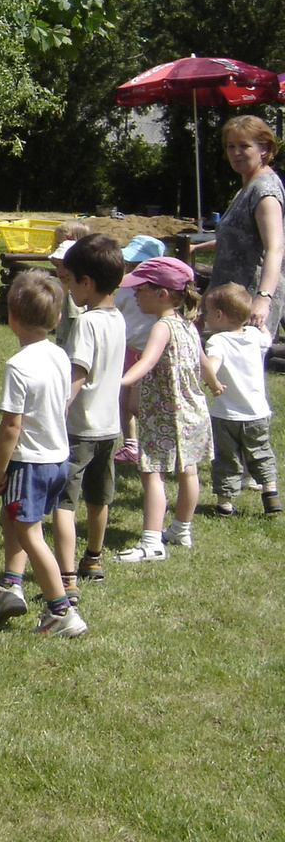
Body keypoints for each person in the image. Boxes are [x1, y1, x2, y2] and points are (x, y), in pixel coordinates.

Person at [0, 271, 88, 638]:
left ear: (11, 318)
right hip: (57, 459)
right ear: (56, 320)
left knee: (31, 534)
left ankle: (60, 611)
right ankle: (10, 586)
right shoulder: (58, 354)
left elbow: (10, 428)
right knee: (15, 519)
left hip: (29, 463)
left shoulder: (18, 366)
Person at [116, 257, 216, 563]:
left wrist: (117, 382)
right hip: (193, 412)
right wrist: (214, 384)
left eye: (140, 289)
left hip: (163, 414)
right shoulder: (189, 326)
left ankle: (151, 543)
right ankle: (181, 530)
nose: (134, 295)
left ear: (161, 294)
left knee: (152, 473)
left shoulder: (161, 328)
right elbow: (203, 362)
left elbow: (144, 364)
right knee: (189, 471)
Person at [53, 234, 126, 596]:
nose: (68, 288)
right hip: (109, 429)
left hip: (79, 429)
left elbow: (76, 376)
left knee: (64, 503)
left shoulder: (85, 323)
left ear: (86, 283)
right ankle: (93, 560)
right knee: (100, 497)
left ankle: (67, 579)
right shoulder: (118, 319)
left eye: (70, 280)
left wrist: (55, 411)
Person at [199, 114, 284, 343]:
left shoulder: (264, 190)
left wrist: (263, 298)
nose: (236, 152)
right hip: (228, 298)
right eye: (230, 146)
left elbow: (275, 248)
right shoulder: (247, 186)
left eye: (244, 146)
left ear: (264, 149)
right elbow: (241, 240)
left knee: (243, 373)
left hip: (248, 301)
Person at [203, 282, 280, 517]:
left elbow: (212, 366)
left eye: (207, 312)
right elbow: (267, 337)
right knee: (260, 452)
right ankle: (270, 492)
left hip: (227, 416)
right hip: (257, 413)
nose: (206, 317)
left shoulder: (217, 341)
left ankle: (225, 504)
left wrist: (212, 381)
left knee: (227, 459)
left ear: (218, 315)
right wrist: (261, 323)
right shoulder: (255, 336)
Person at [114, 235, 166, 462]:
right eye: (130, 263)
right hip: (128, 349)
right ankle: (131, 444)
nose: (132, 268)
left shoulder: (159, 294)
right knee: (124, 402)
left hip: (149, 354)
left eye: (138, 264)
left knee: (138, 404)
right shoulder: (125, 289)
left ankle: (152, 442)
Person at [50, 221, 90, 352]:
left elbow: (76, 324)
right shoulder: (66, 287)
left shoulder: (74, 295)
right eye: (57, 266)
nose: (60, 271)